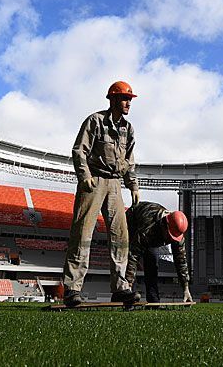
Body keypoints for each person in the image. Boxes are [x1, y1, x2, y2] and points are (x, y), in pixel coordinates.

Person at [62, 81, 141, 307]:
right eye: (125, 99)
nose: (128, 103)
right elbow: (80, 150)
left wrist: (133, 186)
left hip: (115, 184)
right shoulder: (95, 121)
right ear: (113, 99)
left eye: (130, 99)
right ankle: (72, 288)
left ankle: (120, 287)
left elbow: (129, 161)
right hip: (94, 180)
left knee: (120, 236)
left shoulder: (129, 128)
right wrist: (83, 175)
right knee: (83, 232)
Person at [124, 202, 192, 303]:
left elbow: (181, 260)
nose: (170, 240)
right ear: (164, 226)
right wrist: (128, 285)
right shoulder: (147, 228)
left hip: (151, 233)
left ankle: (153, 300)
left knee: (152, 264)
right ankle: (126, 293)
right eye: (169, 236)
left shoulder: (177, 231)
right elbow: (133, 257)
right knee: (129, 258)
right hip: (131, 224)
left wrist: (186, 288)